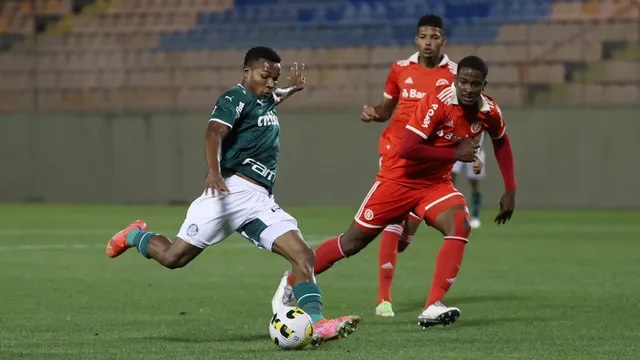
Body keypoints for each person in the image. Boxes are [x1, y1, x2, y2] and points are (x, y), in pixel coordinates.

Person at [105, 46, 360, 346]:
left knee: (304, 255)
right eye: (265, 76)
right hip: (227, 193)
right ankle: (135, 235)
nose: (270, 84)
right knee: (175, 257)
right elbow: (213, 133)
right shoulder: (234, 98)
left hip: (260, 200)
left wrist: (293, 88)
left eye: (274, 79)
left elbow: (276, 96)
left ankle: (318, 324)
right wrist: (213, 171)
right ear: (246, 72)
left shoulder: (266, 99)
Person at [272, 55, 516, 328]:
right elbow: (408, 148)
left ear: (484, 84)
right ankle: (293, 279)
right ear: (455, 80)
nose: (469, 89)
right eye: (464, 82)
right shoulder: (438, 101)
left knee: (460, 223)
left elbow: (501, 141)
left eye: (476, 84)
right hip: (397, 180)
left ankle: (432, 306)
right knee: (352, 243)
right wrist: (454, 152)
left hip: (435, 185)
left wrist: (510, 188)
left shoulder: (490, 110)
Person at [360, 14, 458, 318]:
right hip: (395, 153)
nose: (428, 42)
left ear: (444, 40)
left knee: (403, 234)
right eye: (423, 36)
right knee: (390, 222)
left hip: (431, 156)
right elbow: (386, 109)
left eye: (434, 37)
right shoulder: (400, 69)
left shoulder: (455, 74)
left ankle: (410, 224)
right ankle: (383, 300)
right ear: (416, 39)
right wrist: (373, 114)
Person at [451, 133, 486, 229]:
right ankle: (452, 213)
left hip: (475, 149)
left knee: (475, 183)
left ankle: (475, 216)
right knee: (449, 180)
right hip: (457, 148)